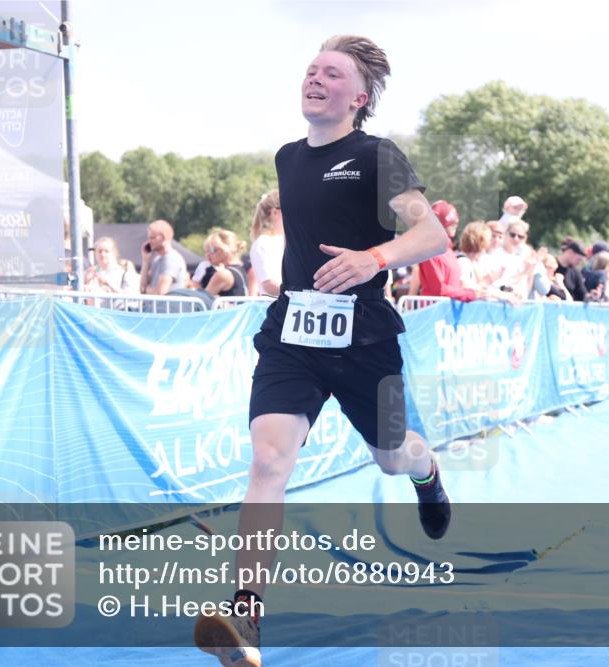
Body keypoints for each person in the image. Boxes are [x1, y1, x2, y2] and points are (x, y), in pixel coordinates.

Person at [194, 36, 452, 666]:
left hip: (364, 337)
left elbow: (433, 233)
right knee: (267, 464)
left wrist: (374, 258)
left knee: (394, 457)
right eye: (310, 69)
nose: (315, 77)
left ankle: (429, 472)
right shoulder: (288, 158)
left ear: (358, 98)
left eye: (332, 73)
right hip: (294, 335)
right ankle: (247, 618)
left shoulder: (376, 154)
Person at [249, 190, 285, 297]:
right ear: (274, 212)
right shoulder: (264, 242)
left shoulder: (281, 239)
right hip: (274, 306)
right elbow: (269, 285)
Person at [139, 219, 188, 295]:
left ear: (164, 237)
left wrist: (146, 290)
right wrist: (145, 261)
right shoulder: (157, 259)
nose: (149, 241)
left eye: (153, 237)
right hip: (153, 306)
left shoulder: (171, 259)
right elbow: (142, 288)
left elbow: (160, 292)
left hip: (165, 306)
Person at [199, 229, 249, 298]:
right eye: (206, 251)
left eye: (212, 250)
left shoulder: (223, 274)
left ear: (226, 249)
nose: (208, 255)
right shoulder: (241, 269)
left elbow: (202, 300)